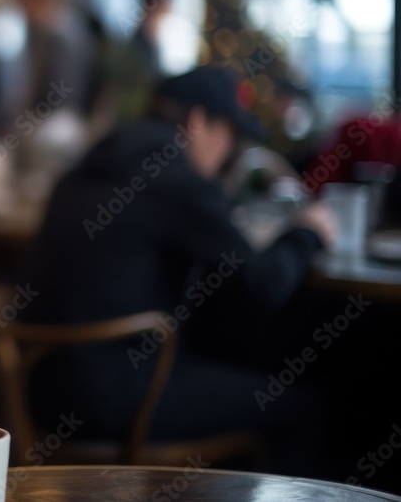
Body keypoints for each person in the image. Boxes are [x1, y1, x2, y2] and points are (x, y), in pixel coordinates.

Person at [20, 65, 337, 475]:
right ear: (197, 121)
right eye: (228, 136)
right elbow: (265, 283)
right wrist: (306, 233)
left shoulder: (90, 163)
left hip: (42, 387)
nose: (226, 153)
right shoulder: (178, 177)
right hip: (118, 397)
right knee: (303, 409)